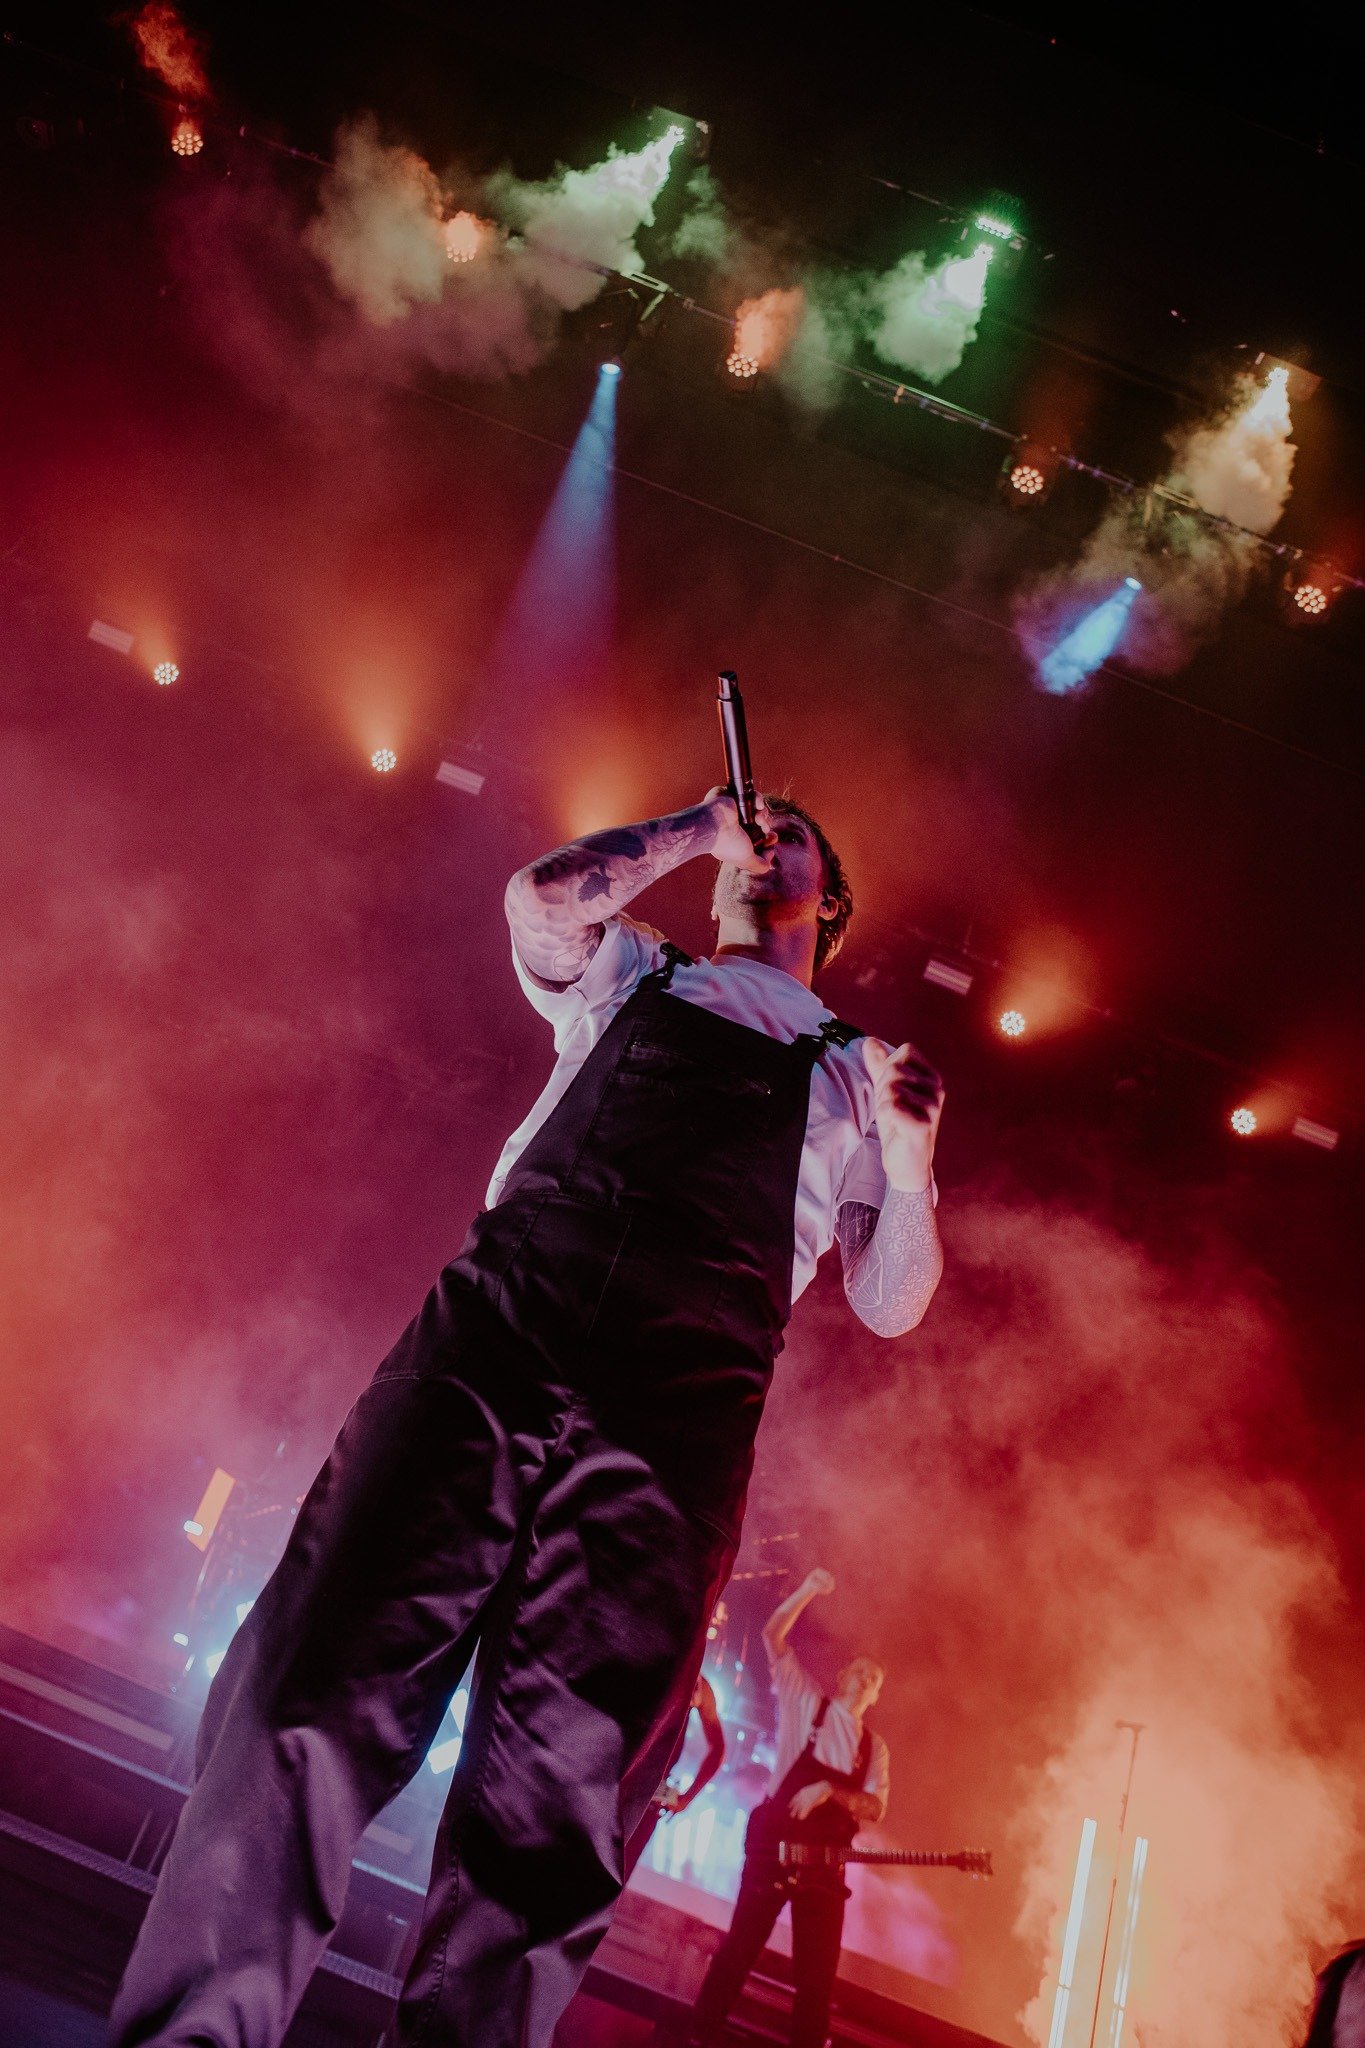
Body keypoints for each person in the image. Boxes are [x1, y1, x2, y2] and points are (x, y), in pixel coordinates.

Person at [109, 784, 944, 2048]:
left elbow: (889, 1300)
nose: (765, 835)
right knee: (304, 1693)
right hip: (504, 1321)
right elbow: (538, 900)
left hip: (681, 1408)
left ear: (827, 896)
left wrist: (915, 1162)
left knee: (554, 1814)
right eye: (753, 823)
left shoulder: (860, 1069)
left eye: (793, 832)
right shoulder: (639, 971)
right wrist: (689, 829)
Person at [685, 1568, 888, 2048]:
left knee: (816, 1985)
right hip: (772, 1852)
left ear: (876, 1696)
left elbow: (875, 1807)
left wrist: (829, 1791)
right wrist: (808, 1590)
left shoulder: (874, 1749)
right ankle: (697, 2038)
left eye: (875, 1680)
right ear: (843, 1677)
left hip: (824, 1872)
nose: (866, 1680)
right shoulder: (805, 1702)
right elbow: (772, 1635)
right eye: (860, 1671)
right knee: (738, 1952)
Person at [623, 1672, 727, 1878]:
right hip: (615, 1786)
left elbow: (718, 1748)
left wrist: (687, 1797)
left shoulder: (696, 1682)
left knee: (614, 1875)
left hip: (644, 1799)